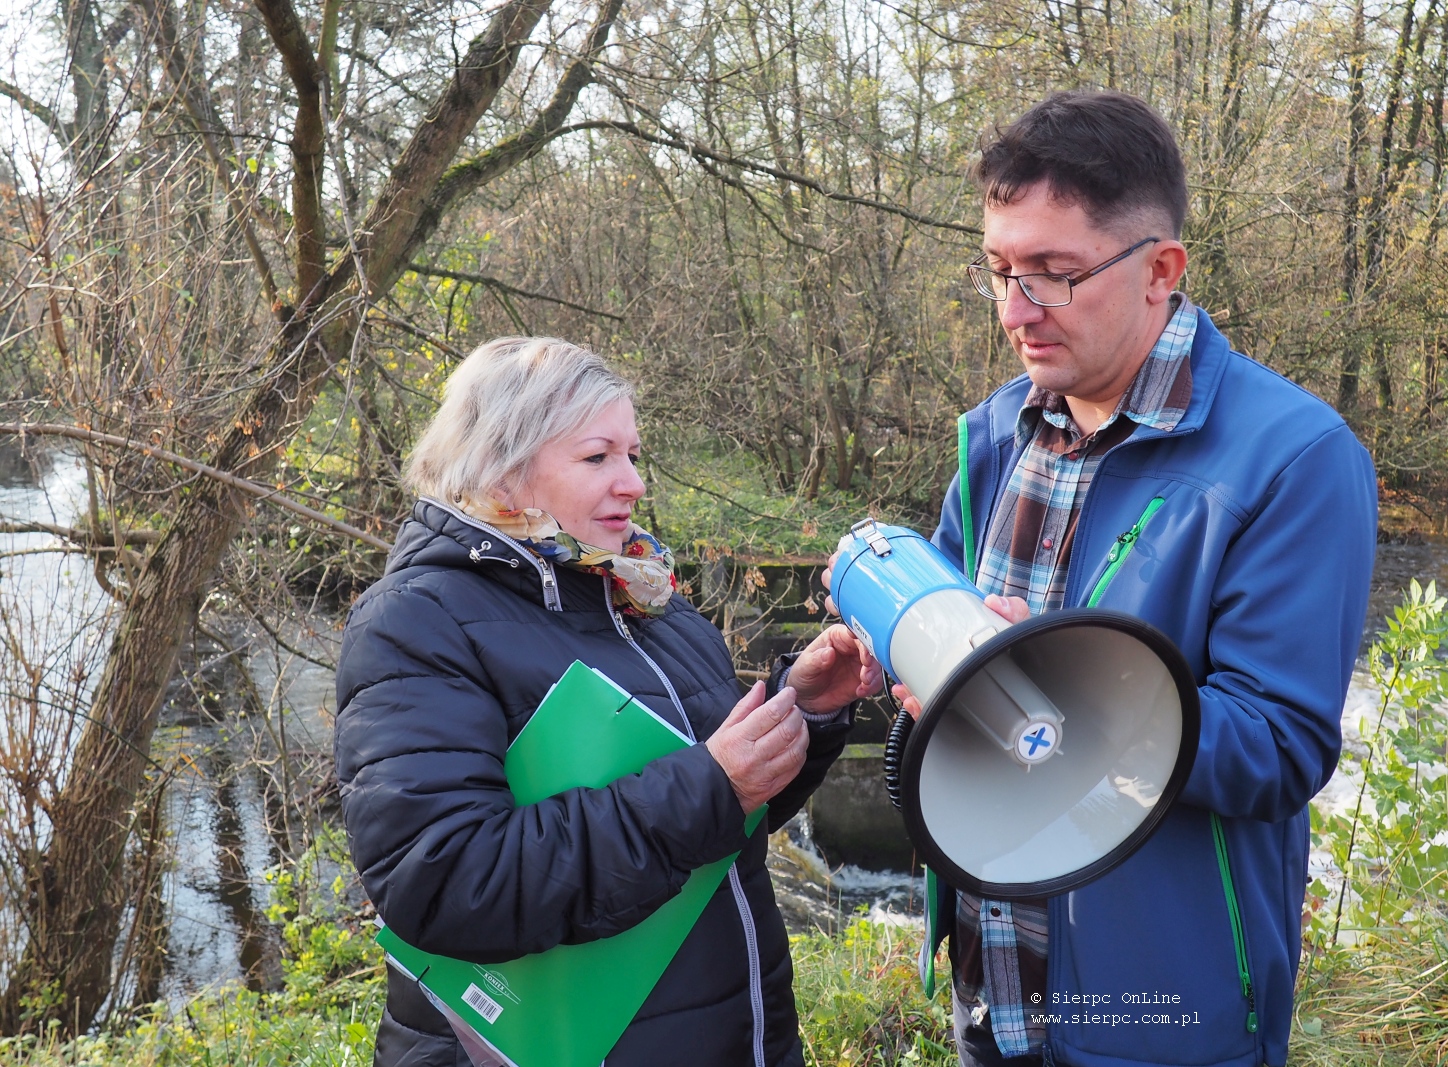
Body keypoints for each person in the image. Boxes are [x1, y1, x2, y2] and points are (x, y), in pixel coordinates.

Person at [832, 91, 1377, 1067]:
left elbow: (1281, 745)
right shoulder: (992, 432)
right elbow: (951, 675)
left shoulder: (1292, 457)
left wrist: (1055, 686)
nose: (1013, 310)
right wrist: (917, 675)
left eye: (1052, 273)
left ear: (1159, 269)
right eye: (998, 270)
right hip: (993, 992)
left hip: (1161, 1003)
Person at [335, 336, 882, 1067]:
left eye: (632, 454)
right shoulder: (416, 621)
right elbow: (443, 880)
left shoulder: (647, 600)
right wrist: (708, 785)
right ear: (502, 465)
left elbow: (717, 824)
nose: (631, 483)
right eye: (598, 457)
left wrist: (802, 712)